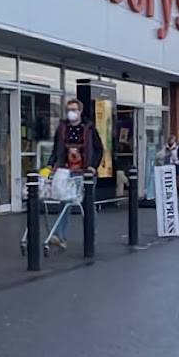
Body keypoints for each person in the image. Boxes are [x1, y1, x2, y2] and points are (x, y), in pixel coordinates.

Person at [47, 97, 103, 249]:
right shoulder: (62, 128)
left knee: (87, 204)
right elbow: (56, 149)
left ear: (80, 111)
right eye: (69, 110)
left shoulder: (89, 129)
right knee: (64, 202)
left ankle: (90, 234)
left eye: (74, 110)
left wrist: (93, 166)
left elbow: (99, 149)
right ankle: (60, 236)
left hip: (85, 172)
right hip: (66, 171)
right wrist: (50, 167)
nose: (71, 113)